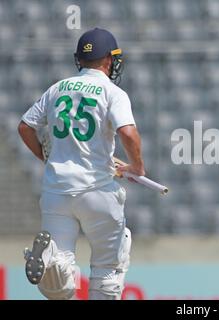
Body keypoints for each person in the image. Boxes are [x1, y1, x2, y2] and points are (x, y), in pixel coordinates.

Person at [18, 27, 145, 300]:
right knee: (108, 270)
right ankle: (57, 266)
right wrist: (136, 167)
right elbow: (128, 132)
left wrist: (46, 156)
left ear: (80, 59)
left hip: (56, 192)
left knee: (59, 281)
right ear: (109, 60)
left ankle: (54, 264)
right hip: (97, 190)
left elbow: (25, 127)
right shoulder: (113, 92)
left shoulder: (56, 89)